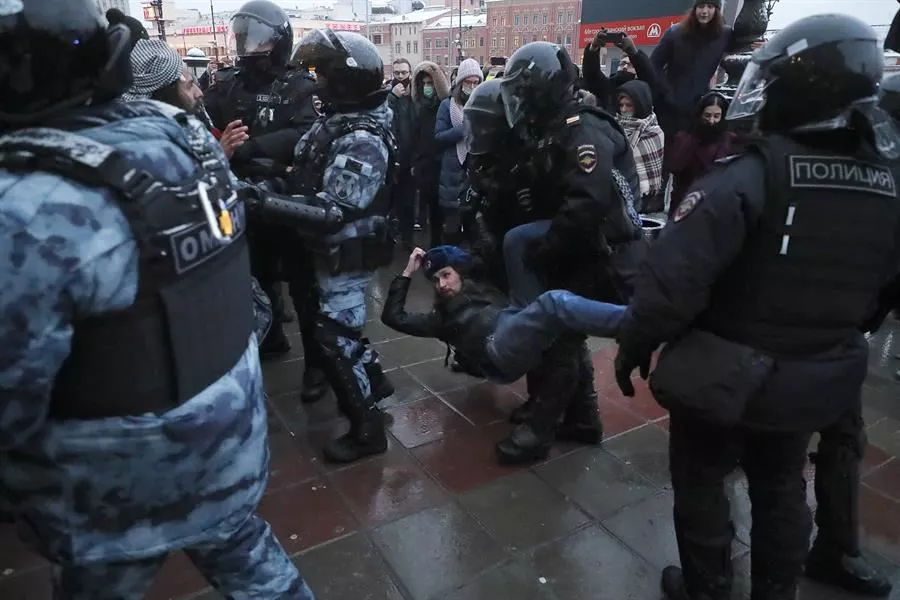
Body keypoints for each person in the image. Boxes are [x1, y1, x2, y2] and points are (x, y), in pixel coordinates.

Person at [0, 2, 313, 598]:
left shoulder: (24, 205)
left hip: (118, 494)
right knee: (260, 574)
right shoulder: (186, 134)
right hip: (227, 448)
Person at [614, 14, 900, 600]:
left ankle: (708, 587)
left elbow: (673, 279)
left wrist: (636, 343)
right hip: (816, 375)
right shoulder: (884, 180)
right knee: (782, 484)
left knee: (701, 482)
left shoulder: (751, 174)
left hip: (726, 371)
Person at [493, 41, 647, 463]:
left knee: (560, 335)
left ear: (544, 87)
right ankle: (581, 419)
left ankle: (541, 429)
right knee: (565, 331)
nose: (521, 100)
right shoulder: (557, 126)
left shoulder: (583, 130)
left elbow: (586, 202)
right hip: (583, 248)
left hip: (602, 253)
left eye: (525, 90)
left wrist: (547, 246)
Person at [248, 29, 396, 464]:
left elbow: (334, 209)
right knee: (338, 331)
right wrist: (270, 173)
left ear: (346, 82)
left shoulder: (363, 138)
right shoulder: (337, 123)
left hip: (347, 253)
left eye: (325, 76)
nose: (318, 85)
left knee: (333, 340)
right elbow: (307, 174)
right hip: (329, 254)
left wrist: (263, 201)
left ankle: (366, 428)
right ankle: (377, 382)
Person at [204, 0, 319, 363]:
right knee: (257, 272)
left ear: (278, 42)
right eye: (242, 40)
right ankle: (271, 338)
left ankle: (316, 364)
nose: (247, 49)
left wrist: (250, 148)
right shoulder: (226, 85)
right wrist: (221, 147)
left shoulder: (299, 85)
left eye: (256, 41)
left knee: (303, 282)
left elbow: (306, 132)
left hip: (289, 197)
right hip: (243, 197)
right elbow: (203, 122)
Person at [383, 246, 624, 382]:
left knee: (515, 241)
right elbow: (394, 317)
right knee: (554, 302)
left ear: (460, 272)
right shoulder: (441, 318)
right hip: (497, 346)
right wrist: (407, 272)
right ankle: (635, 321)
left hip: (512, 318)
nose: (442, 284)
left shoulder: (482, 283)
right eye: (436, 280)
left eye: (446, 275)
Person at [649, 0, 734, 212]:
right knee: (666, 153)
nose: (705, 11)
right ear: (694, 9)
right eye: (701, 6)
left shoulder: (724, 35)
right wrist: (666, 91)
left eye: (710, 6)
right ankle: (659, 196)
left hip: (698, 106)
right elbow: (654, 65)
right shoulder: (675, 33)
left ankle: (682, 198)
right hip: (670, 105)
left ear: (716, 10)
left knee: (687, 154)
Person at [435, 58, 483, 245]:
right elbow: (439, 136)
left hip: (474, 170)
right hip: (452, 172)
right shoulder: (447, 105)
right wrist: (464, 128)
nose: (471, 86)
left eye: (475, 82)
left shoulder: (482, 103)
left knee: (474, 226)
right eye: (468, 82)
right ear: (460, 82)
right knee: (452, 226)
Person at [667, 92, 736, 217]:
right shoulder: (685, 137)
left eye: (716, 116)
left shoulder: (729, 140)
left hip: (714, 206)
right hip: (684, 201)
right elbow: (675, 165)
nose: (711, 121)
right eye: (707, 116)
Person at [411, 60, 451, 247]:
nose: (427, 87)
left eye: (430, 83)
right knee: (426, 207)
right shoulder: (419, 107)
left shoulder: (445, 106)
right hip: (424, 165)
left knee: (439, 211)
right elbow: (415, 137)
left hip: (441, 164)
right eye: (424, 84)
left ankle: (437, 244)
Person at [616, 80, 665, 211]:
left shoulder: (653, 132)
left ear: (640, 104)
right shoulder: (615, 126)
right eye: (621, 105)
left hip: (642, 197)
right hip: (616, 192)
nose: (624, 110)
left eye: (629, 105)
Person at [581, 29, 659, 113]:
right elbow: (592, 75)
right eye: (622, 63)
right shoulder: (607, 87)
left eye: (630, 65)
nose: (625, 66)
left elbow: (649, 77)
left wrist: (633, 52)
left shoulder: (643, 92)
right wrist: (593, 48)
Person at [388, 58, 417, 249]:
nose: (400, 77)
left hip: (410, 158)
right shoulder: (388, 96)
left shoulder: (415, 96)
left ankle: (407, 238)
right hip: (392, 158)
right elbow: (384, 118)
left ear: (410, 74)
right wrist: (392, 97)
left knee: (409, 202)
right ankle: (390, 237)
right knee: (390, 201)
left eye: (404, 73)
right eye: (397, 73)